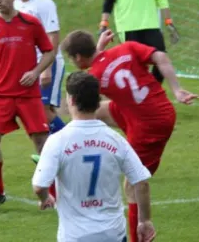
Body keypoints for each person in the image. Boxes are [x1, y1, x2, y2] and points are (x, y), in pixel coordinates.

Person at [61, 29, 198, 242]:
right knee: (98, 111)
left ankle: (138, 235)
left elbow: (84, 92)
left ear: (78, 57)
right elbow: (160, 56)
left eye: (72, 58)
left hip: (150, 125)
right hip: (155, 109)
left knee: (133, 184)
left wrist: (97, 51)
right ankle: (66, 145)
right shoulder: (127, 48)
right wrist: (177, 90)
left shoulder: (95, 76)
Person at [32, 71, 156, 242]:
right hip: (113, 234)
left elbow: (39, 186)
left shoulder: (57, 141)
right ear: (98, 102)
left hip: (75, 236)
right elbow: (141, 182)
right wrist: (144, 221)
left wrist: (45, 198)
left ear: (72, 100)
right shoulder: (116, 139)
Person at [0, 0, 56, 212]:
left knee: (42, 143)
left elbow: (49, 52)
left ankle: (53, 194)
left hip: (28, 95)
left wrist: (36, 72)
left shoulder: (30, 24)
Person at [13, 0, 66, 154]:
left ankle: (70, 145)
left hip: (46, 63)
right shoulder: (15, 3)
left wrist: (46, 69)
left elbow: (53, 37)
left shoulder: (44, 3)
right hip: (26, 66)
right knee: (33, 111)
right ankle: (52, 151)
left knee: (42, 110)